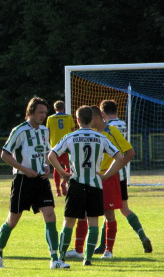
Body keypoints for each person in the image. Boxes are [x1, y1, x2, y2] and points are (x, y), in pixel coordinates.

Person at [66, 101, 153, 258]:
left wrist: (112, 171)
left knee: (109, 213)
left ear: (97, 118)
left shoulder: (111, 131)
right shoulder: (92, 134)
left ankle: (108, 250)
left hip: (108, 178)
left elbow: (129, 152)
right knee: (84, 214)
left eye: (89, 119)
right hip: (91, 178)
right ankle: (80, 249)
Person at [0, 97, 69, 269]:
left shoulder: (44, 130)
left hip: (41, 181)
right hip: (22, 181)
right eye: (40, 112)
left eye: (45, 112)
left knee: (50, 215)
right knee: (13, 220)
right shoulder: (19, 130)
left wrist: (47, 166)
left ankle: (54, 259)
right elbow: (5, 154)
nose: (43, 115)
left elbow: (46, 152)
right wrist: (24, 169)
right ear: (31, 112)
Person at [49, 105, 124, 266]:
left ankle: (61, 256)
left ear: (77, 120)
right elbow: (119, 157)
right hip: (95, 185)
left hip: (76, 184)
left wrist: (63, 172)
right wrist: (107, 174)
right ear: (92, 119)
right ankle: (88, 259)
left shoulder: (71, 137)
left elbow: (51, 155)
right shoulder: (101, 138)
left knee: (69, 221)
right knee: (93, 223)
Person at [98, 100, 152, 254]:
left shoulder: (109, 128)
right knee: (122, 208)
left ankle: (104, 246)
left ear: (102, 113)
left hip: (111, 172)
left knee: (108, 209)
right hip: (122, 173)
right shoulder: (122, 124)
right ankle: (141, 235)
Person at [46, 100, 75, 197]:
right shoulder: (69, 117)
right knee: (68, 167)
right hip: (67, 146)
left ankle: (58, 190)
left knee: (56, 168)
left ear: (55, 109)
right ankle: (64, 182)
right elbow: (73, 131)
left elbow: (48, 133)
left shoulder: (50, 118)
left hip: (55, 146)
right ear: (64, 108)